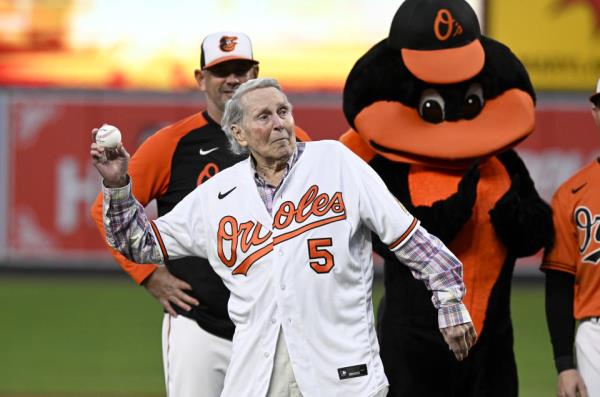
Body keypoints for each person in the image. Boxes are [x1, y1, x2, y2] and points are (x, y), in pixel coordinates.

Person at [91, 77, 476, 397]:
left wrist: (450, 301)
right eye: (264, 116)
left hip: (342, 375)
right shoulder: (217, 196)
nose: (279, 123)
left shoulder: (336, 163)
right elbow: (138, 243)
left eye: (283, 111)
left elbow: (409, 237)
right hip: (258, 381)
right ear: (238, 134)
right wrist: (118, 185)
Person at [90, 32, 310, 396]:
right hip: (200, 323)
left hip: (274, 327)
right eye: (222, 71)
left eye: (241, 69)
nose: (234, 79)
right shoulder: (173, 144)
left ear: (256, 73)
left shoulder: (292, 139)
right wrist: (148, 274)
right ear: (200, 78)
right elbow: (108, 210)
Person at [542, 78, 600, 397]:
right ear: (594, 112)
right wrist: (565, 365)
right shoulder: (571, 195)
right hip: (595, 335)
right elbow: (559, 285)